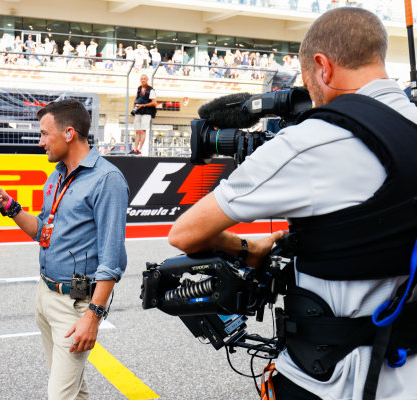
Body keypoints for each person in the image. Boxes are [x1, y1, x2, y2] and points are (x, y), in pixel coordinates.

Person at [169, 7, 417, 400]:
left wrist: (252, 247)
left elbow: (185, 233)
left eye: (307, 81)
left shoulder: (313, 140)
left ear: (322, 66)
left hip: (329, 378)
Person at [0, 99, 128, 400]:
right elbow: (42, 231)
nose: (40, 142)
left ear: (68, 133)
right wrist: (9, 205)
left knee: (60, 395)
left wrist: (93, 316)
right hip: (45, 295)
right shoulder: (56, 176)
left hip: (75, 306)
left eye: (44, 133)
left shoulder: (107, 180)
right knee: (72, 392)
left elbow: (112, 259)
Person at [130, 74, 157, 155]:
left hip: (147, 112)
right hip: (138, 112)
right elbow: (136, 98)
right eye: (141, 79)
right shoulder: (139, 88)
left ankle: (140, 149)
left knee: (142, 130)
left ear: (147, 80)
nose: (143, 80)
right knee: (137, 131)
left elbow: (154, 103)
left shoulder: (151, 90)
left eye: (144, 79)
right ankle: (135, 149)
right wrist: (135, 104)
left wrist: (143, 105)